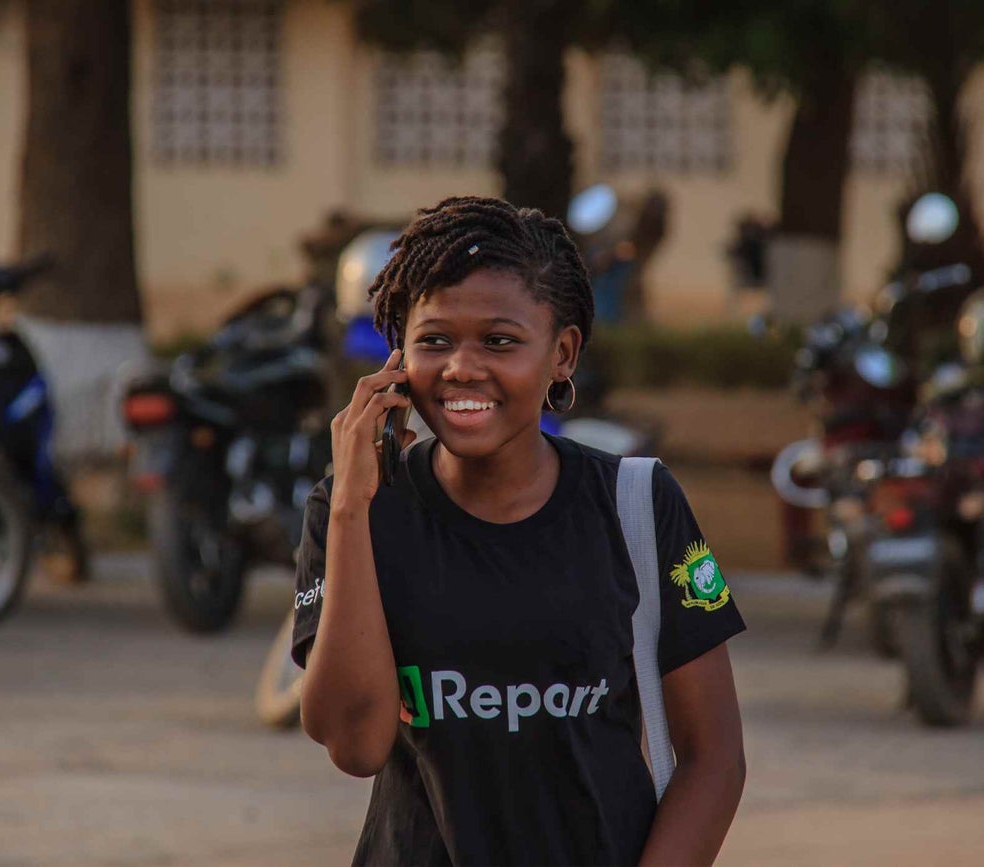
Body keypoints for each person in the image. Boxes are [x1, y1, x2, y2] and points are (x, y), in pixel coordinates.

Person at [292, 196, 746, 866]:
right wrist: (352, 510)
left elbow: (714, 756)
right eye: (434, 340)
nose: (462, 367)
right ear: (397, 356)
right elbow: (356, 745)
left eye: (500, 341)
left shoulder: (639, 503)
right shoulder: (357, 507)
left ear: (562, 353)